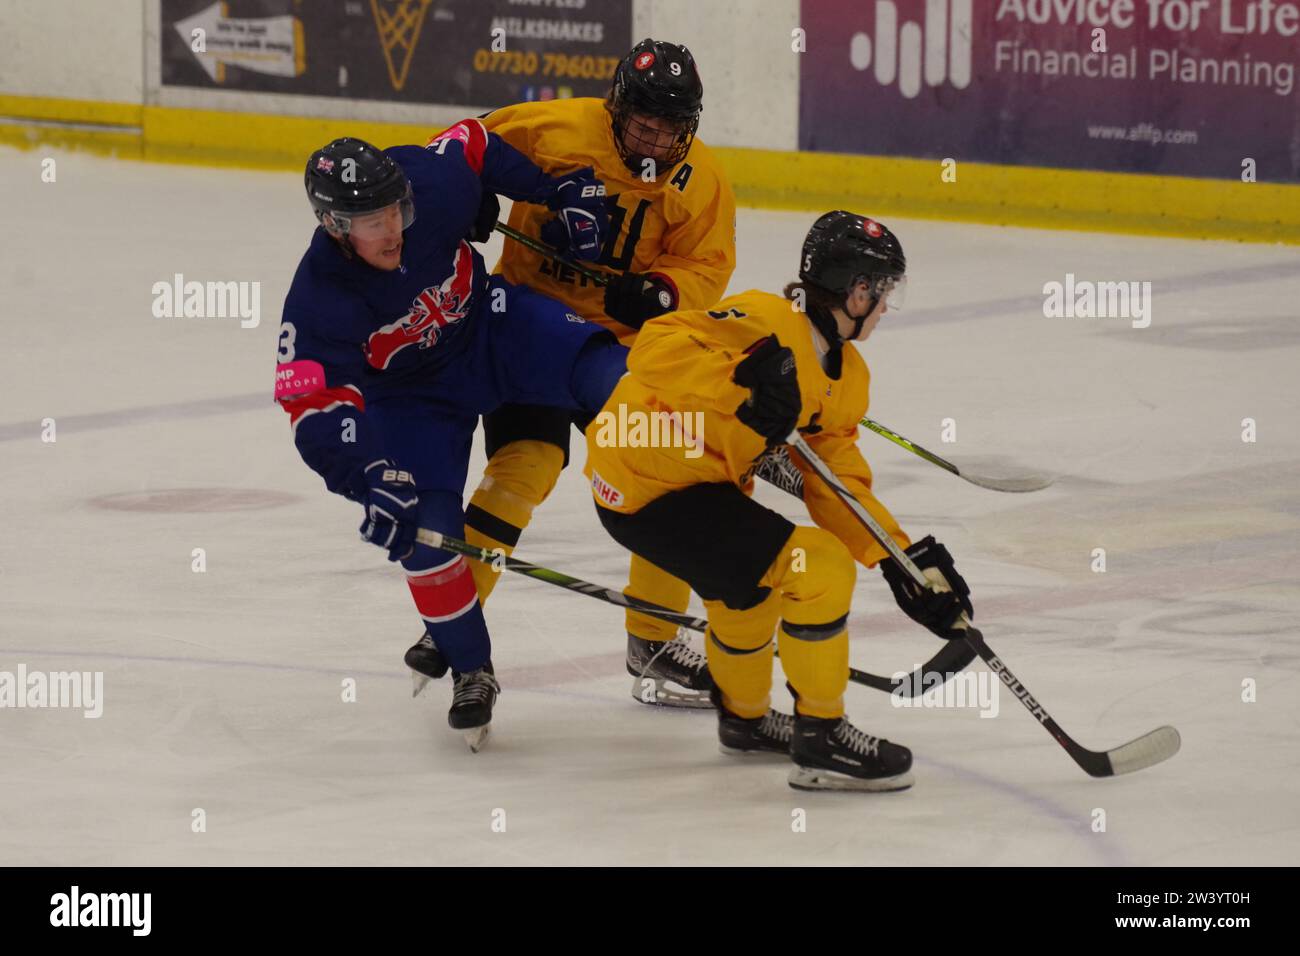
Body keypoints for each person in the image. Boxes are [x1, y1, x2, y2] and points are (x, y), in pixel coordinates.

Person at [583, 211, 975, 790]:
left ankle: (743, 722)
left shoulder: (848, 376)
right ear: (857, 290)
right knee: (816, 567)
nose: (887, 306)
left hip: (703, 486)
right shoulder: (765, 319)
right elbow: (655, 345)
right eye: (884, 290)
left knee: (749, 593)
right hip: (643, 478)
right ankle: (822, 735)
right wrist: (740, 380)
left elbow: (835, 481)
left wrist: (901, 558)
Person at [274, 130, 627, 750]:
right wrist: (367, 477)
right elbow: (312, 405)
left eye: (395, 212)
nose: (392, 230)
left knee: (611, 374)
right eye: (371, 221)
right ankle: (471, 669)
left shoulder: (428, 184)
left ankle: (734, 448)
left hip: (490, 328)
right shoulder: (317, 298)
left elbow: (475, 144)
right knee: (425, 532)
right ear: (333, 224)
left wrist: (553, 191)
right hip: (412, 402)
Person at [456, 39, 738, 707]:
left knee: (669, 479)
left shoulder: (701, 180)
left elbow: (707, 266)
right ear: (617, 108)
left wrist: (662, 292)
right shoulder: (555, 127)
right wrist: (464, 200)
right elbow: (460, 151)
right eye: (645, 123)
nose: (657, 138)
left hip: (626, 354)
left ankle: (655, 641)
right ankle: (459, 638)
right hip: (531, 332)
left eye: (672, 128)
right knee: (522, 468)